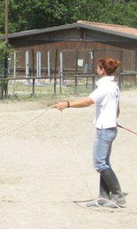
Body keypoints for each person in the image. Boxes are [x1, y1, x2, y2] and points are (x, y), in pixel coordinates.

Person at [53, 57, 126, 208]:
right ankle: (104, 197)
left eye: (98, 67)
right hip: (109, 128)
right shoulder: (114, 86)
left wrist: (67, 104)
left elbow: (88, 102)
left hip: (105, 130)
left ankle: (118, 196)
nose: (96, 69)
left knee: (99, 164)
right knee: (104, 162)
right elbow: (117, 110)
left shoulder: (104, 87)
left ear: (103, 70)